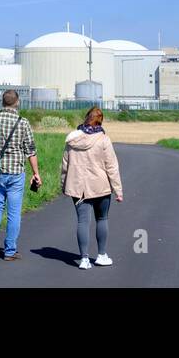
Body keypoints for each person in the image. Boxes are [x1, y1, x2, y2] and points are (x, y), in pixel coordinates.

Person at [0, 90, 41, 262]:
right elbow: (31, 151)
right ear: (17, 102)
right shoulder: (23, 123)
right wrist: (36, 173)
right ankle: (10, 251)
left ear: (2, 102)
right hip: (16, 173)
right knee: (13, 212)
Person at [59, 106, 123, 269]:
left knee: (82, 221)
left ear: (86, 118)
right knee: (102, 219)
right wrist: (118, 190)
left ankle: (84, 259)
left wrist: (64, 185)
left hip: (78, 187)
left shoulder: (72, 140)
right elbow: (112, 167)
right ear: (100, 121)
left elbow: (65, 165)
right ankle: (101, 255)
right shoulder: (103, 139)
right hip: (100, 186)